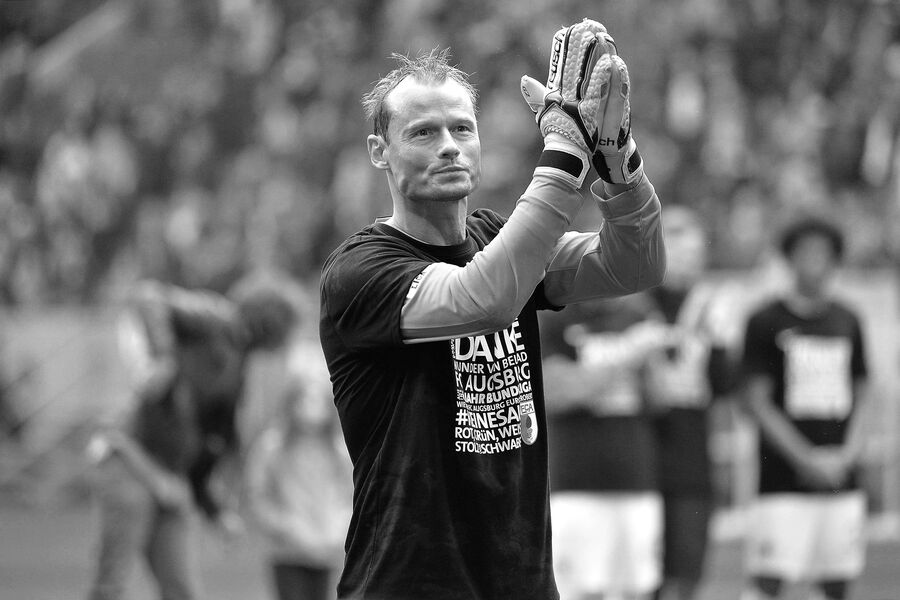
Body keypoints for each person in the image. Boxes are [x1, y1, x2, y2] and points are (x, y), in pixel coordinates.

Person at [318, 19, 666, 600]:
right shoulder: (360, 271)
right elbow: (484, 298)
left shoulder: (498, 239)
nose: (449, 145)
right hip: (409, 586)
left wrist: (617, 159)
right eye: (423, 132)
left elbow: (636, 264)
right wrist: (564, 153)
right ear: (380, 152)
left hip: (523, 584)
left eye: (462, 128)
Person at [85, 272, 299, 600]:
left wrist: (215, 510)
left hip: (172, 477)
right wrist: (161, 357)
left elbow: (205, 445)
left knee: (182, 592)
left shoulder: (238, 368)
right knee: (112, 585)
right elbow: (148, 298)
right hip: (131, 458)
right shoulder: (214, 317)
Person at [739, 216, 873, 600]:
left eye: (823, 253)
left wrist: (847, 455)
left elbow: (864, 391)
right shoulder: (765, 320)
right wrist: (805, 458)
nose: (814, 261)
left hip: (841, 478)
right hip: (782, 479)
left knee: (836, 582)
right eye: (805, 252)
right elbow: (756, 402)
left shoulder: (848, 319)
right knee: (770, 579)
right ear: (789, 258)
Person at [641, 206, 736, 600]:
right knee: (644, 573)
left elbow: (724, 390)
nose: (685, 261)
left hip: (691, 452)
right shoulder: (633, 302)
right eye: (676, 248)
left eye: (693, 253)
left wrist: (721, 344)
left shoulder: (710, 308)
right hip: (641, 453)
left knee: (688, 565)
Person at [541, 295, 665, 600]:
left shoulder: (639, 315)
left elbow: (660, 401)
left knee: (638, 589)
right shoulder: (556, 317)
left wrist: (652, 361)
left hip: (635, 476)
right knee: (578, 590)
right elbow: (556, 393)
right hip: (575, 481)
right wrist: (628, 353)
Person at [245, 336, 353, 600]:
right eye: (305, 396)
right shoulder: (273, 446)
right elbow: (257, 494)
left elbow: (349, 495)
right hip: (287, 551)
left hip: (324, 549)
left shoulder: (337, 450)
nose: (311, 406)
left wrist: (337, 528)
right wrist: (285, 526)